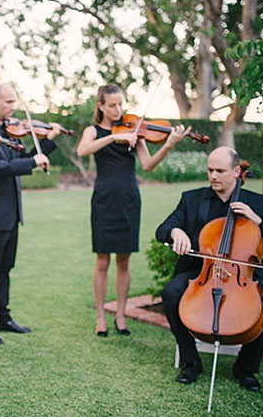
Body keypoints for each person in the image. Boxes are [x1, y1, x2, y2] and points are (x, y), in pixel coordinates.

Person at [156, 146, 263, 391]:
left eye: (220, 170)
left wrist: (257, 220)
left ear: (237, 171)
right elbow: (163, 229)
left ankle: (246, 368)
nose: (213, 176)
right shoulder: (191, 198)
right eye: (210, 170)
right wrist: (176, 232)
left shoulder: (257, 203)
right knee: (171, 293)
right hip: (201, 271)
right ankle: (191, 361)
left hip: (243, 275)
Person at [76, 84, 189, 337]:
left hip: (128, 198)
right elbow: (83, 150)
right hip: (104, 199)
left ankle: (121, 315)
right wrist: (114, 137)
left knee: (124, 260)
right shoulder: (93, 130)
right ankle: (100, 316)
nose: (118, 110)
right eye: (112, 105)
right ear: (101, 106)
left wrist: (168, 145)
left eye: (120, 104)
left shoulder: (135, 129)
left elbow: (148, 165)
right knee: (103, 261)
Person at [0, 84, 60, 344]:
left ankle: (3, 317)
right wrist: (32, 162)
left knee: (5, 269)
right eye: (9, 102)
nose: (13, 107)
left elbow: (26, 161)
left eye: (14, 102)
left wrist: (47, 143)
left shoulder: (10, 130)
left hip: (12, 214)